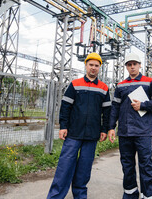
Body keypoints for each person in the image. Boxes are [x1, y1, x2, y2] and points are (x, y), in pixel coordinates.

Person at [47, 52, 111, 199]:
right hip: (73, 133)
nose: (93, 68)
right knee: (64, 167)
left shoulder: (103, 88)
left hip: (92, 134)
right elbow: (65, 107)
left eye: (96, 65)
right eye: (91, 65)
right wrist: (63, 126)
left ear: (99, 67)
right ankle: (55, 196)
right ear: (86, 66)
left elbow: (107, 111)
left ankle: (80, 195)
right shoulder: (75, 84)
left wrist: (104, 129)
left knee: (84, 168)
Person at [108, 53, 152, 199]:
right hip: (125, 132)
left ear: (140, 65)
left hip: (142, 131)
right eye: (129, 64)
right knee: (127, 164)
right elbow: (115, 107)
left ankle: (150, 195)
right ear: (126, 67)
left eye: (135, 64)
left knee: (145, 164)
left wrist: (143, 105)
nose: (132, 66)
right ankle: (130, 193)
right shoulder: (120, 86)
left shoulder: (149, 82)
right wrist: (110, 127)